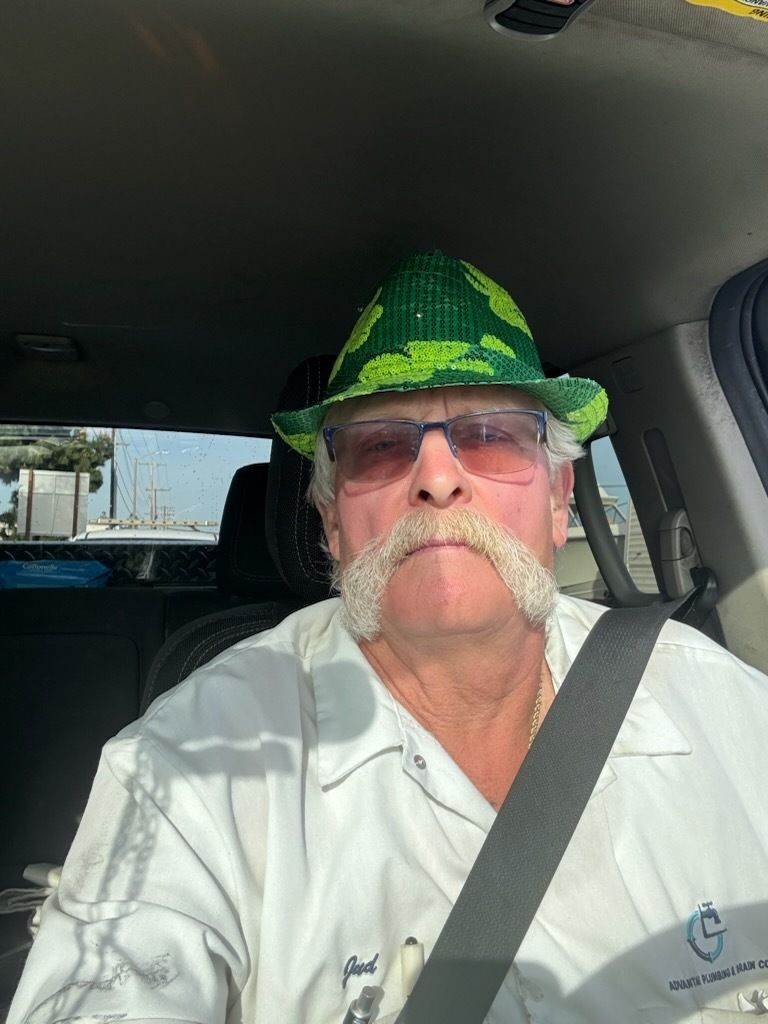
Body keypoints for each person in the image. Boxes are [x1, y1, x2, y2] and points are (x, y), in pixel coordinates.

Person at [8, 252, 768, 1024]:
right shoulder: (185, 772)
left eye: (491, 435)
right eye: (380, 447)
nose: (437, 478)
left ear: (559, 498)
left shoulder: (725, 708)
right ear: (333, 522)